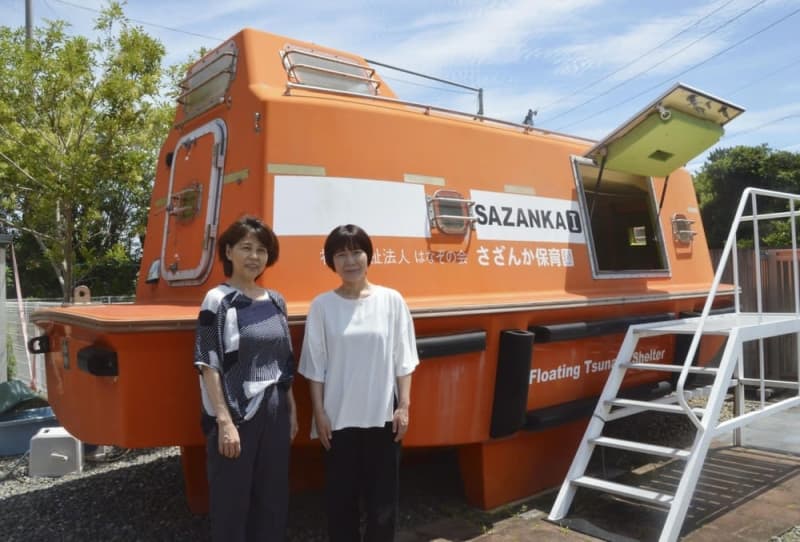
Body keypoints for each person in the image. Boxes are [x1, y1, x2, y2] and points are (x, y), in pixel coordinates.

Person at [299, 224, 419, 542]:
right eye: (341, 254)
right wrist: (319, 414)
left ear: (368, 256)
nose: (350, 260)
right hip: (337, 421)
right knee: (341, 504)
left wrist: (404, 407)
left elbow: (403, 359)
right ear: (331, 262)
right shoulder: (322, 306)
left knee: (384, 506)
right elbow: (315, 366)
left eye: (356, 252)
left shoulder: (391, 301)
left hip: (383, 418)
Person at [194, 216, 298, 542]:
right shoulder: (218, 299)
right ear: (229, 251)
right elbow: (207, 362)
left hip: (276, 409)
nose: (254, 256)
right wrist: (224, 421)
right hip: (237, 414)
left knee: (273, 497)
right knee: (231, 502)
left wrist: (291, 410)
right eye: (246, 248)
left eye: (261, 250)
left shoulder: (276, 300)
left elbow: (284, 361)